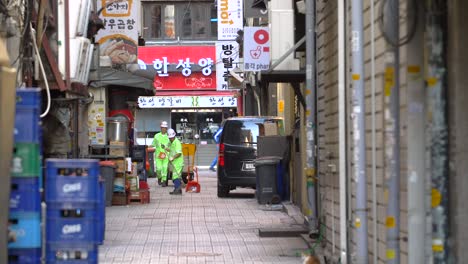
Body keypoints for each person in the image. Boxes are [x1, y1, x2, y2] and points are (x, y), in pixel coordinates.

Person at [152, 121, 170, 187]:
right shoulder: (156, 136)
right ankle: (159, 177)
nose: (164, 129)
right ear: (161, 128)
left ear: (166, 128)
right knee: (158, 169)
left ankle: (164, 181)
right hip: (158, 156)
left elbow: (171, 146)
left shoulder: (168, 137)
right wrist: (147, 146)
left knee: (165, 168)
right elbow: (153, 144)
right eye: (163, 128)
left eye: (165, 128)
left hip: (166, 156)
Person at [167, 128, 184, 195]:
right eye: (170, 138)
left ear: (174, 136)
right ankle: (177, 189)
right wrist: (165, 148)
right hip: (175, 163)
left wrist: (173, 157)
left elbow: (179, 153)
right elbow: (171, 150)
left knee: (175, 177)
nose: (171, 138)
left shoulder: (177, 142)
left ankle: (177, 189)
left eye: (172, 137)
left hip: (178, 163)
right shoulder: (171, 142)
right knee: (175, 177)